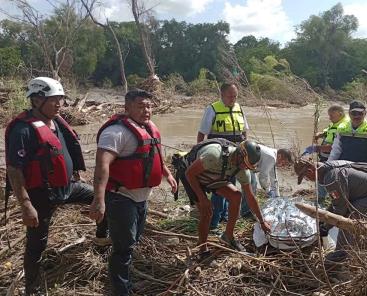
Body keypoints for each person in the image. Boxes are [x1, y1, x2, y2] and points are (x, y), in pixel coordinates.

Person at [5, 77, 109, 295]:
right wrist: (25, 205)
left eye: (61, 99)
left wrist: (76, 174)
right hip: (41, 195)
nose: (59, 104)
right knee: (36, 244)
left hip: (68, 187)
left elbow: (65, 151)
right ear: (36, 100)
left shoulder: (57, 122)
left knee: (103, 200)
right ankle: (31, 288)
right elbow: (14, 170)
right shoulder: (22, 130)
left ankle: (101, 240)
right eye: (53, 100)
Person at [89, 89, 177, 296]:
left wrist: (168, 174)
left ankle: (124, 281)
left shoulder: (150, 128)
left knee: (131, 243)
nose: (146, 110)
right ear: (127, 108)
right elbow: (102, 166)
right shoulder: (116, 133)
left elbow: (156, 156)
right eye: (140, 106)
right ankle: (121, 290)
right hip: (121, 198)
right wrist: (98, 200)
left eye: (148, 106)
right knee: (123, 249)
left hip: (141, 199)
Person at [295, 159, 367, 281]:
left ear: (310, 171)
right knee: (363, 231)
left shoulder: (331, 177)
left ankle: (333, 267)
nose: (308, 181)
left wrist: (326, 227)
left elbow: (341, 208)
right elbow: (336, 202)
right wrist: (323, 221)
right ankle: (366, 261)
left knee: (349, 227)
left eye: (306, 177)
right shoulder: (329, 169)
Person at [183, 139, 271, 253]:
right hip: (193, 177)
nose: (245, 168)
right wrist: (203, 199)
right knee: (207, 212)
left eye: (248, 166)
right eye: (245, 164)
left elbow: (250, 197)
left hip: (213, 177)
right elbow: (189, 173)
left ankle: (228, 236)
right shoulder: (214, 155)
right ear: (239, 155)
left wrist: (262, 221)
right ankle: (203, 250)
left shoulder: (242, 169)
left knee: (236, 196)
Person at [197, 82, 249, 231]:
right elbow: (202, 133)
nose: (233, 99)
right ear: (222, 95)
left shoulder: (240, 108)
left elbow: (244, 132)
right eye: (230, 96)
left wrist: (244, 149)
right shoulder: (212, 109)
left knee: (232, 185)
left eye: (235, 96)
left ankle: (225, 216)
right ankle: (213, 223)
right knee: (220, 189)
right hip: (218, 156)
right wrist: (198, 152)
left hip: (236, 156)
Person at [328, 101, 367, 167]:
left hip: (365, 167)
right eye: (354, 113)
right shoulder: (341, 128)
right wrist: (329, 165)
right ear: (349, 114)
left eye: (360, 113)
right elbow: (335, 150)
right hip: (344, 166)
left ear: (365, 113)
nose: (357, 116)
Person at [240, 145, 293, 217]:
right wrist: (268, 190)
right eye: (283, 162)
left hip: (249, 164)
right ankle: (246, 212)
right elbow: (262, 177)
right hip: (244, 162)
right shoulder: (271, 157)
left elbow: (273, 177)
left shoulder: (273, 155)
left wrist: (277, 196)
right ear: (280, 156)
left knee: (252, 184)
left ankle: (247, 209)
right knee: (252, 185)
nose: (282, 165)